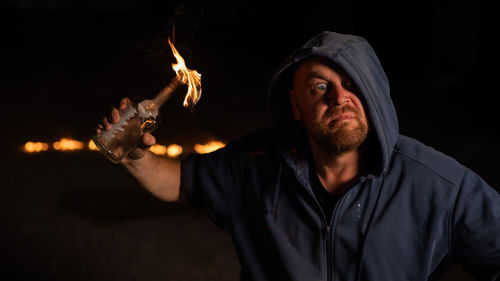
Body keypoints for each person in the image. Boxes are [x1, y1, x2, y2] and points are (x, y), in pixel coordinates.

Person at [97, 31, 500, 280]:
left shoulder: (439, 185)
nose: (340, 98)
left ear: (374, 95)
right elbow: (181, 183)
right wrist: (134, 155)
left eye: (352, 84)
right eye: (319, 87)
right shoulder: (254, 164)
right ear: (295, 104)